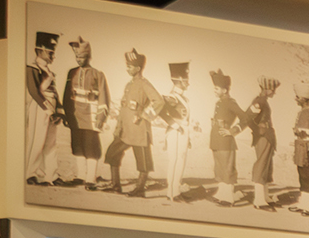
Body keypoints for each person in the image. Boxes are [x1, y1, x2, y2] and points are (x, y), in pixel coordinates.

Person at [103, 50, 162, 197]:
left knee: (143, 160)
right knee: (112, 153)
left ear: (138, 68)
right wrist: (118, 127)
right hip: (125, 130)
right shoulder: (129, 85)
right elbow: (124, 108)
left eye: (130, 66)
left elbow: (159, 101)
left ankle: (140, 189)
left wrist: (145, 115)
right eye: (127, 66)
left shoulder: (144, 84)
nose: (127, 68)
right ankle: (116, 185)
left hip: (139, 129)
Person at [61, 36, 111, 189]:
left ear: (89, 56)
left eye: (82, 56)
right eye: (77, 56)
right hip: (75, 116)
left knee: (91, 148)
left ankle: (91, 178)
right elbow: (66, 95)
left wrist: (101, 118)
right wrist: (66, 114)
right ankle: (81, 176)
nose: (79, 59)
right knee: (77, 146)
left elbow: (104, 97)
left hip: (91, 117)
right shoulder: (72, 73)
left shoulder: (98, 74)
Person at [24, 32, 60, 185]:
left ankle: (51, 176)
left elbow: (54, 92)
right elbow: (34, 91)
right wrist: (47, 109)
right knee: (37, 140)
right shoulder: (32, 67)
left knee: (51, 143)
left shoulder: (49, 71)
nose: (53, 54)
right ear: (40, 50)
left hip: (50, 108)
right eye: (50, 51)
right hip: (39, 107)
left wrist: (58, 111)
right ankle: (31, 173)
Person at [159, 63, 199, 200]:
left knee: (180, 160)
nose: (188, 83)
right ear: (180, 80)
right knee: (174, 161)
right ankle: (172, 192)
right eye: (186, 79)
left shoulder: (184, 98)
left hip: (183, 132)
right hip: (175, 132)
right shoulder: (171, 97)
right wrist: (175, 125)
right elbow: (162, 112)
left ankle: (175, 190)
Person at [208, 69, 245, 207]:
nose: (214, 90)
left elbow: (244, 118)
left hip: (226, 141)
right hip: (217, 141)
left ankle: (229, 198)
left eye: (216, 88)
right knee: (220, 169)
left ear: (224, 90)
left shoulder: (230, 102)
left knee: (227, 169)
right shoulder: (219, 102)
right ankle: (221, 194)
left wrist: (233, 130)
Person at [246, 76, 281, 211]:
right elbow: (248, 117)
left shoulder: (263, 101)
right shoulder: (259, 101)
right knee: (261, 165)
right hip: (263, 136)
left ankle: (265, 198)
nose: (274, 92)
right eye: (272, 90)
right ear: (266, 90)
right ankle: (259, 201)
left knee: (266, 166)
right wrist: (258, 130)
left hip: (267, 136)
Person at [291, 82, 309, 210]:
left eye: (297, 97)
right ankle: (303, 203)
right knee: (303, 176)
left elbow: (307, 133)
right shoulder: (304, 112)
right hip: (301, 148)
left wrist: (297, 132)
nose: (296, 99)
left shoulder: (307, 113)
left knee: (306, 177)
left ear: (303, 99)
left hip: (305, 150)